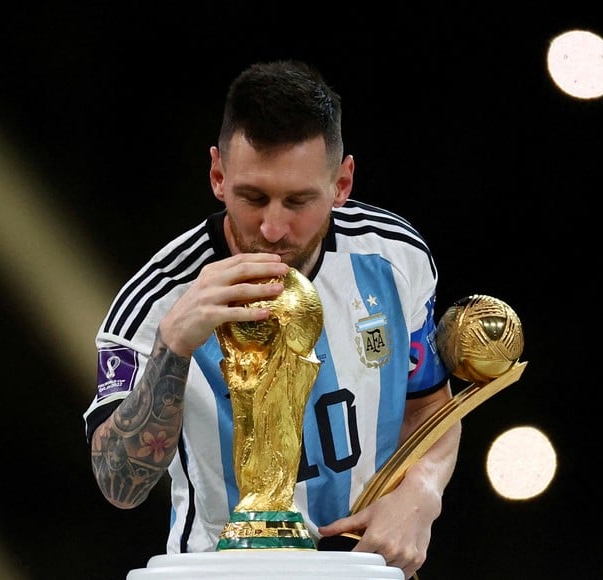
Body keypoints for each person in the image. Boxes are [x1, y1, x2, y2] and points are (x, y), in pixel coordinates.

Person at [83, 59, 461, 579]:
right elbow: (118, 483)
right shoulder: (154, 303)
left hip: (361, 570)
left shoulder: (395, 259)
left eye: (299, 200)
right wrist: (172, 345)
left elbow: (430, 407)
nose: (274, 227)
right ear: (218, 176)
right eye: (252, 197)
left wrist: (423, 489)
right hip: (218, 571)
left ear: (342, 182)